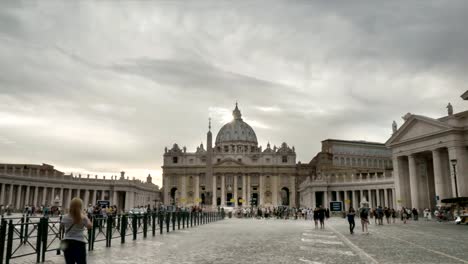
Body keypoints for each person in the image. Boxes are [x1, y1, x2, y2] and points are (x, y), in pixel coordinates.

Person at [61, 198, 92, 264]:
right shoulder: (83, 217)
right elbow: (90, 226)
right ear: (81, 206)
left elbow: (62, 226)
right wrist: (86, 217)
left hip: (67, 243)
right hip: (79, 243)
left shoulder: (64, 217)